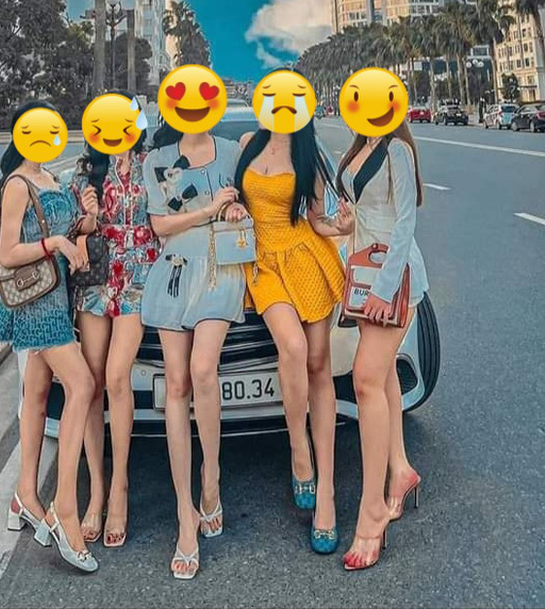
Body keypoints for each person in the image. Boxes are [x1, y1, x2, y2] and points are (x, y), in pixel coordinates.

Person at [0, 101, 100, 573]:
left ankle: (24, 495)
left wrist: (86, 220)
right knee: (82, 385)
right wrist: (54, 244)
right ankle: (64, 508)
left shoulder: (50, 177)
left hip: (55, 294)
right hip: (36, 303)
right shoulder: (18, 183)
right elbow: (6, 254)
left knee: (35, 396)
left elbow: (68, 231)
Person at [234, 117, 350, 554]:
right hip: (262, 262)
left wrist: (342, 227)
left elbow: (317, 220)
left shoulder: (308, 154)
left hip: (304, 256)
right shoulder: (248, 143)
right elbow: (234, 200)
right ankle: (299, 448)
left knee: (319, 365)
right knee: (294, 345)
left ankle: (327, 495)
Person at [141, 122, 246, 579]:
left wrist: (236, 209)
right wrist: (208, 210)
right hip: (174, 271)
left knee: (203, 369)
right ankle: (185, 513)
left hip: (222, 268)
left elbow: (249, 202)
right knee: (176, 382)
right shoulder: (158, 160)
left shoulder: (232, 152)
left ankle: (212, 476)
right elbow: (160, 224)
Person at [336, 120, 429, 571]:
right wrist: (345, 223)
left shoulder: (397, 151)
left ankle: (372, 510)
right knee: (384, 373)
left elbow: (405, 223)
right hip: (363, 275)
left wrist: (385, 288)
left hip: (394, 279)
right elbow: (366, 215)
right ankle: (401, 467)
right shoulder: (361, 147)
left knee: (365, 380)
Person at [68, 92, 159, 548]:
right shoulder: (86, 170)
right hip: (98, 275)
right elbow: (73, 228)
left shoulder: (150, 162)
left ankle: (120, 486)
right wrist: (87, 218)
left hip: (140, 272)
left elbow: (167, 214)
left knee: (119, 375)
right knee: (93, 379)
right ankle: (97, 490)